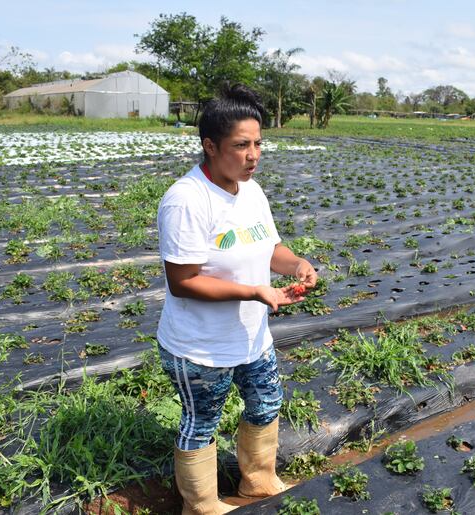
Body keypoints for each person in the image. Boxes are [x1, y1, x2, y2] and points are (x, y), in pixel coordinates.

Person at [156, 83, 317, 515]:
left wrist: (297, 263)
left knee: (266, 402)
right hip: (200, 347)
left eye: (258, 143)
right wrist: (254, 291)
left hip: (251, 338)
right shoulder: (187, 200)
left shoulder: (252, 192)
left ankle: (258, 482)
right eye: (241, 145)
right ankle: (203, 505)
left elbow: (270, 248)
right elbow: (183, 281)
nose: (253, 155)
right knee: (202, 422)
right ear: (210, 146)